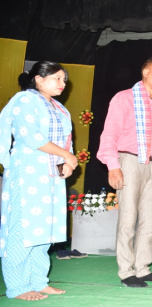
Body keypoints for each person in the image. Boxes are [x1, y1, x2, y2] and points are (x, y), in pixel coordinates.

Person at [0, 61, 78, 300]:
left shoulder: (59, 108)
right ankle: (18, 286)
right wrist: (66, 155)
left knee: (43, 230)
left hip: (51, 175)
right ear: (39, 79)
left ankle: (38, 280)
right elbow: (31, 137)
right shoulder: (24, 100)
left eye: (64, 80)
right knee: (22, 229)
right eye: (57, 78)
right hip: (28, 171)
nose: (62, 84)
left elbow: (67, 139)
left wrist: (67, 162)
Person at [97, 56, 152, 288]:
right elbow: (109, 134)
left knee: (151, 221)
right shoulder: (125, 98)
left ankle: (142, 268)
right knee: (128, 219)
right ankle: (126, 271)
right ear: (145, 71)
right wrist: (113, 166)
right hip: (128, 161)